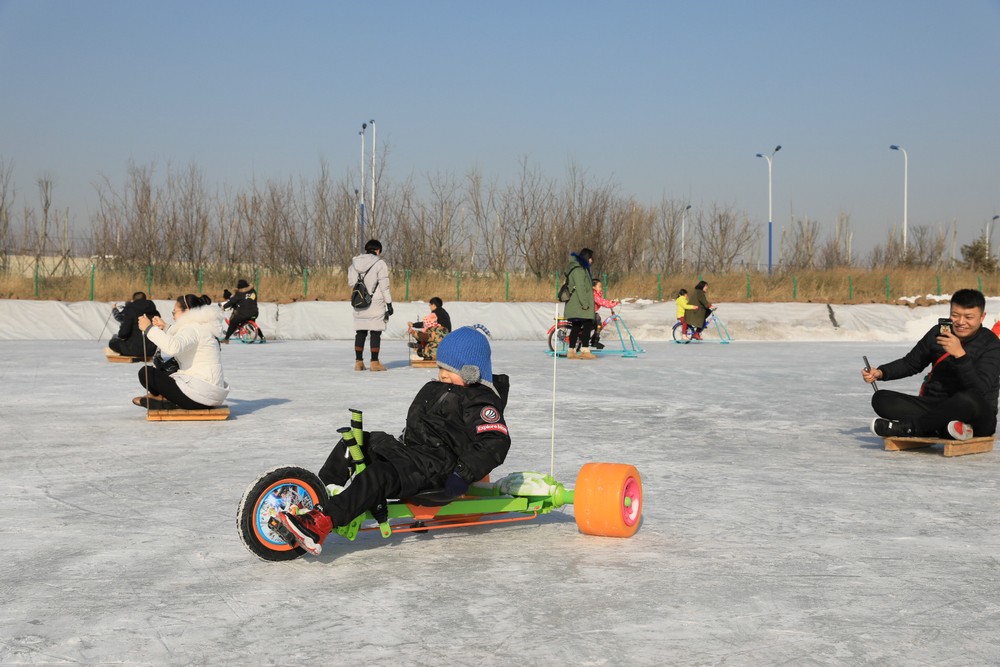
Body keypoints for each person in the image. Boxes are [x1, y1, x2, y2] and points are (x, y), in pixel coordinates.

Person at [277, 326, 511, 556]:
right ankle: (321, 495)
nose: (442, 373)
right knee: (358, 443)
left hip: (437, 469)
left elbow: (495, 441)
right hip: (413, 455)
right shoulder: (438, 388)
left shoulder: (480, 402)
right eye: (441, 366)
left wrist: (462, 475)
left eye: (450, 369)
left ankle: (320, 524)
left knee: (379, 474)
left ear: (472, 371)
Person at [864, 288, 1000, 441]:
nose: (961, 322)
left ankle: (912, 428)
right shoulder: (938, 333)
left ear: (982, 317)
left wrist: (960, 355)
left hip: (975, 414)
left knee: (968, 399)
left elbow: (980, 389)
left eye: (969, 317)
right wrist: (882, 372)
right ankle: (945, 428)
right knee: (882, 399)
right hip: (936, 405)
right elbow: (911, 363)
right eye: (955, 315)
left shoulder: (991, 344)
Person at [133, 294, 230, 410]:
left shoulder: (193, 328)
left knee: (146, 373)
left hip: (198, 396)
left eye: (175, 312)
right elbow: (186, 339)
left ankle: (163, 398)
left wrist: (149, 329)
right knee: (169, 367)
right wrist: (165, 327)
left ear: (187, 311)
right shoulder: (202, 326)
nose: (173, 316)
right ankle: (163, 397)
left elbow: (174, 347)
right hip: (209, 394)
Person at [348, 239, 393, 372]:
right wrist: (389, 303)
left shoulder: (354, 264)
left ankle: (359, 362)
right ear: (378, 250)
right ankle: (374, 362)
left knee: (360, 332)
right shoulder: (380, 264)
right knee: (375, 332)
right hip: (376, 301)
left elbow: (351, 283)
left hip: (359, 300)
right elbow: (385, 286)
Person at [562, 248, 597, 359]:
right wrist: (585, 304)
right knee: (587, 325)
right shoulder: (579, 270)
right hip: (579, 304)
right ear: (587, 258)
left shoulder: (579, 268)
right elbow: (581, 288)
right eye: (591, 258)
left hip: (577, 304)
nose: (592, 261)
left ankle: (571, 351)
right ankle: (585, 351)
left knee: (576, 327)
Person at [106, 291, 160, 358]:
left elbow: (123, 334)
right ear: (145, 299)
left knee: (113, 342)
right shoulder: (155, 312)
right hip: (152, 350)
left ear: (133, 300)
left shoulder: (130, 310)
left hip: (134, 349)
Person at [221, 279, 265, 344]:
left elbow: (232, 301)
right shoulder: (253, 291)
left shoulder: (240, 293)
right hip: (254, 312)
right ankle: (262, 337)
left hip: (244, 314)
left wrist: (224, 307)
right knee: (251, 323)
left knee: (233, 322)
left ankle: (226, 339)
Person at [589, 279, 620, 350]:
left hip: (591, 312)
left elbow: (602, 300)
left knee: (598, 322)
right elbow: (602, 302)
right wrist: (613, 303)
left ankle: (594, 339)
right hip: (589, 313)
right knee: (598, 323)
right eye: (599, 286)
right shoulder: (593, 294)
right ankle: (595, 340)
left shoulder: (596, 294)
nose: (601, 288)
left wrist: (610, 302)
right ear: (593, 287)